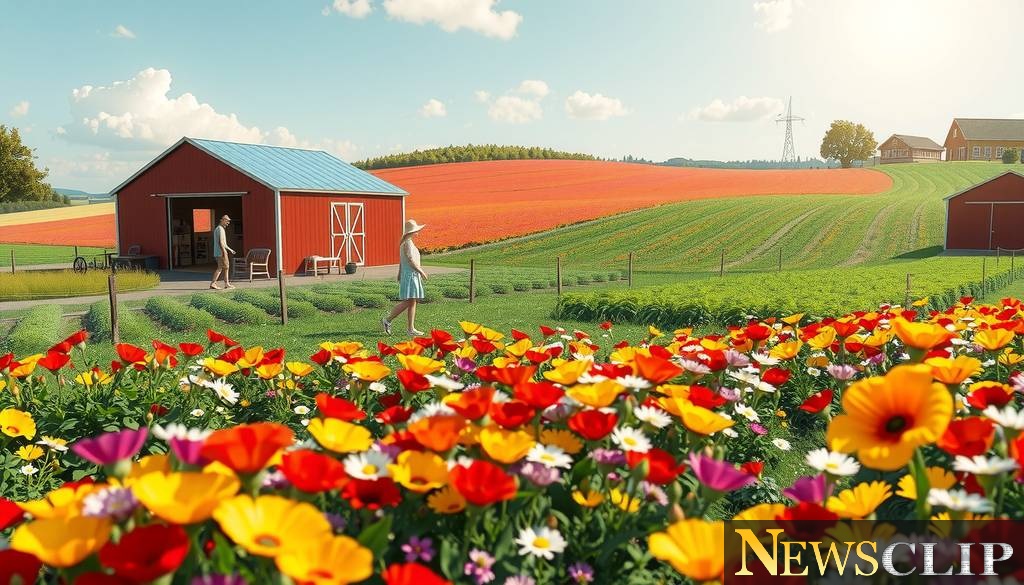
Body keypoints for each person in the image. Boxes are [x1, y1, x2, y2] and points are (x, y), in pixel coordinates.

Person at [383, 219, 428, 336]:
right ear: (412, 231)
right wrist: (421, 271)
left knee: (412, 302)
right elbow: (410, 260)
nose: (418, 232)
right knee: (409, 301)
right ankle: (387, 320)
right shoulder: (407, 242)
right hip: (411, 275)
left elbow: (402, 262)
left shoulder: (406, 242)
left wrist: (399, 273)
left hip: (410, 274)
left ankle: (410, 328)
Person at [210, 214, 236, 290]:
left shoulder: (219, 229)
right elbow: (221, 242)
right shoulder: (220, 229)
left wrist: (230, 250)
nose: (228, 223)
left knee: (225, 268)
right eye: (227, 221)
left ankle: (226, 284)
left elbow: (224, 243)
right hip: (221, 253)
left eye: (228, 221)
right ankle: (213, 283)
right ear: (222, 220)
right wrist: (224, 252)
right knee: (221, 268)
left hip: (220, 252)